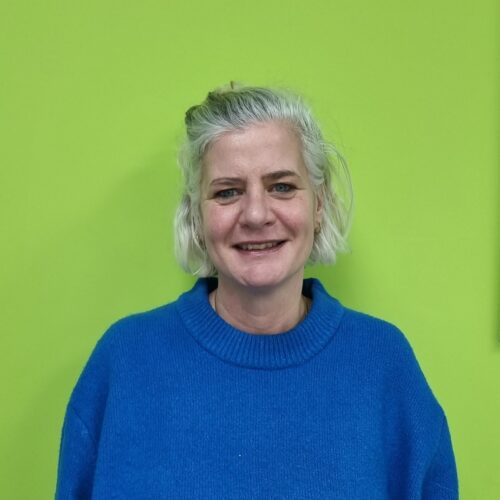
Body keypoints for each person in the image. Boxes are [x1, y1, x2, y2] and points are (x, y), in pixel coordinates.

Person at [56, 84, 458, 499]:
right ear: (196, 216)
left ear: (319, 204)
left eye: (281, 186)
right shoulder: (125, 362)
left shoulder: (385, 365)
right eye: (227, 192)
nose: (255, 214)